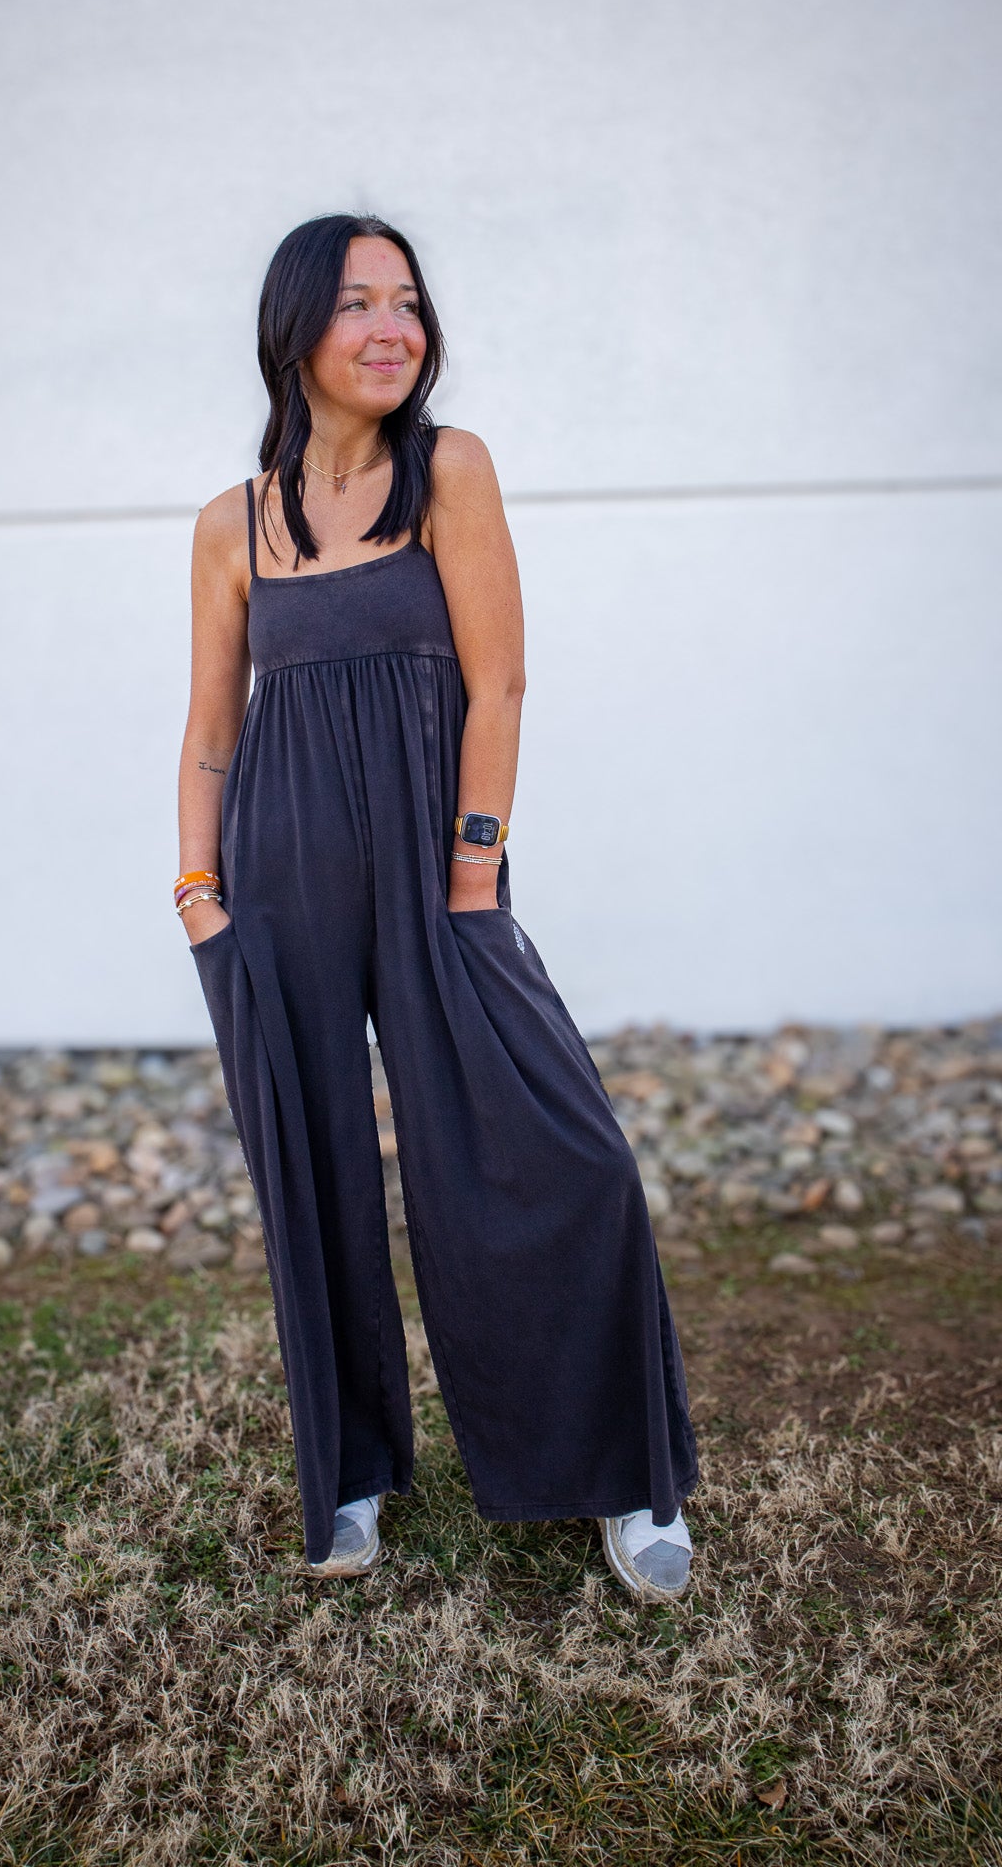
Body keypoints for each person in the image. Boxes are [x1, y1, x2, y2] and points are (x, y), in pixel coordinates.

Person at [176, 212, 698, 1599]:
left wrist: (473, 872)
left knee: (554, 1153)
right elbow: (210, 728)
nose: (392, 327)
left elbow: (500, 683)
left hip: (435, 874)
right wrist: (195, 894)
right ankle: (349, 1478)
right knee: (315, 1176)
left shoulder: (447, 471)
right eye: (358, 303)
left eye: (406, 301)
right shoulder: (229, 524)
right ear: (296, 329)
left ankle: (621, 1479)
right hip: (273, 877)